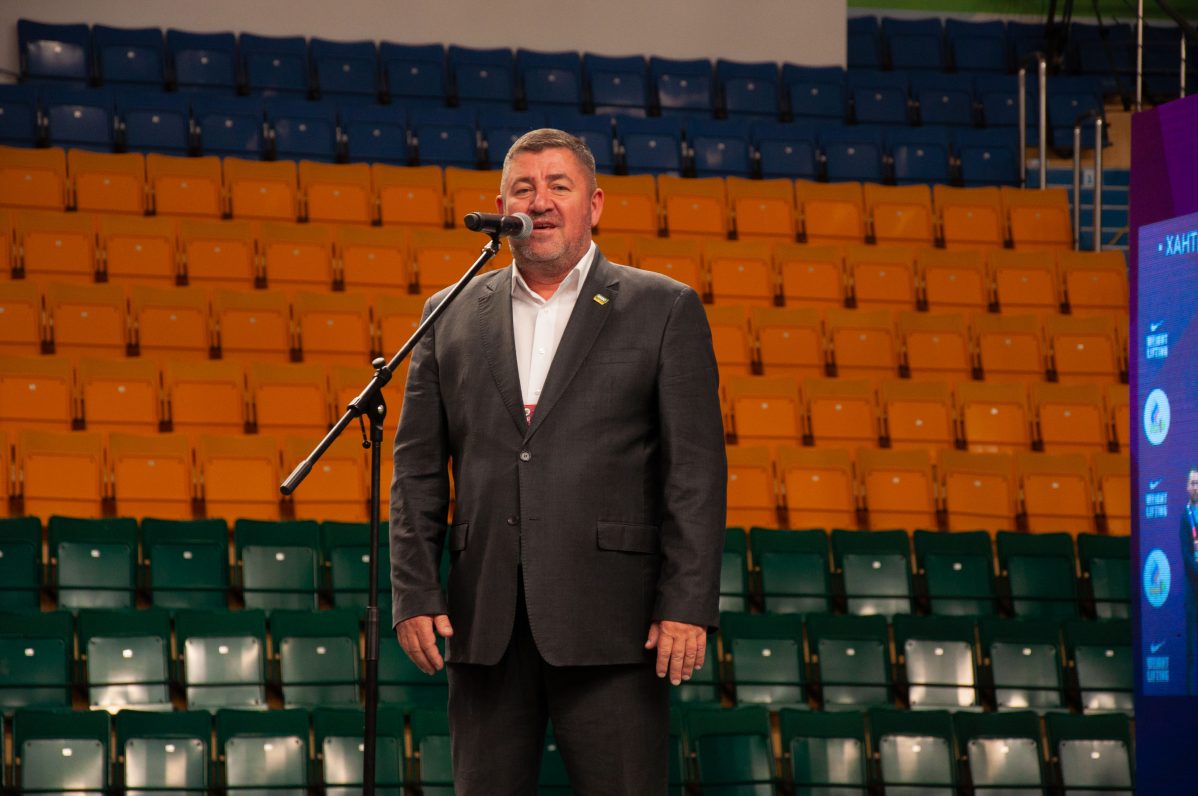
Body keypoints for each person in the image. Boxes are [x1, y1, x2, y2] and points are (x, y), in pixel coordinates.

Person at [389, 128, 727, 794]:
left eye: (559, 186)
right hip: (484, 624)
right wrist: (415, 591)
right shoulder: (447, 315)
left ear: (594, 203)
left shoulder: (664, 307)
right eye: (524, 188)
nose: (539, 201)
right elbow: (417, 473)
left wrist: (687, 603)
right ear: (501, 208)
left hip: (618, 626)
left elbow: (694, 473)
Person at [1182, 467, 1198, 692]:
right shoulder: (1185, 517)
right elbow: (1186, 555)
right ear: (1187, 487)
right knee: (1192, 645)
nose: (1196, 487)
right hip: (1193, 591)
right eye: (1193, 483)